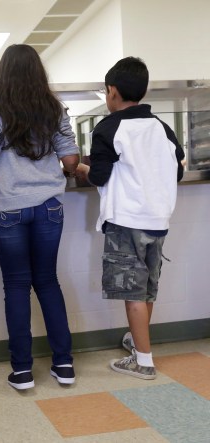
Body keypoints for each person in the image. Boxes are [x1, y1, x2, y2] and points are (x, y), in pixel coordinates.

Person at [0, 44, 80, 391]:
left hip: (9, 208)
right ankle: (64, 364)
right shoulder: (52, 106)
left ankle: (22, 371)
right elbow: (70, 159)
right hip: (49, 204)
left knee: (16, 286)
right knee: (48, 281)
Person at [76, 57, 184, 380]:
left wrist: (81, 169)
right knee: (147, 290)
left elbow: (98, 176)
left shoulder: (108, 128)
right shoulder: (162, 128)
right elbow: (178, 170)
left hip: (126, 222)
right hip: (158, 221)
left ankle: (144, 361)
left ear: (112, 92)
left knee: (132, 292)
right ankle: (139, 346)